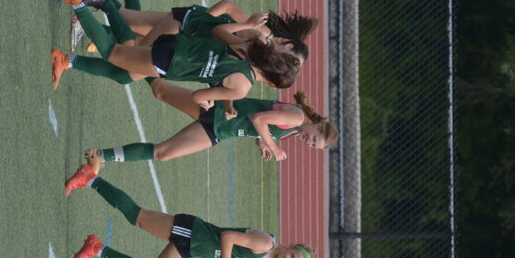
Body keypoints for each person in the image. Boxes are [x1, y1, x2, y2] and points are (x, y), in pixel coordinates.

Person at [64, 160, 316, 258]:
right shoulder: (265, 244)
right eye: (292, 257)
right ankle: (89, 177)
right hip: (193, 232)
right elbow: (228, 237)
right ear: (291, 246)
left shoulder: (268, 256)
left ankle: (95, 248)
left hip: (193, 248)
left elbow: (239, 247)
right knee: (136, 216)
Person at [49, 0, 299, 106]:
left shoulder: (250, 46)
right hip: (171, 62)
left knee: (125, 64)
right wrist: (208, 102)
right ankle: (80, 3)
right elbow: (198, 96)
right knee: (114, 54)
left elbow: (218, 31)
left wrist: (245, 25)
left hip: (178, 43)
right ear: (272, 84)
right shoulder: (242, 87)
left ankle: (66, 59)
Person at [80, 80, 337, 165]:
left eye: (313, 146)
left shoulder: (294, 130)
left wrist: (263, 143)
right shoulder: (296, 117)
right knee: (160, 90)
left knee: (163, 153)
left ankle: (100, 156)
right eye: (314, 139)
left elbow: (261, 125)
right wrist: (273, 145)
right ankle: (127, 47)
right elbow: (258, 118)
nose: (309, 142)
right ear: (317, 125)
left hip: (220, 130)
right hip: (217, 110)